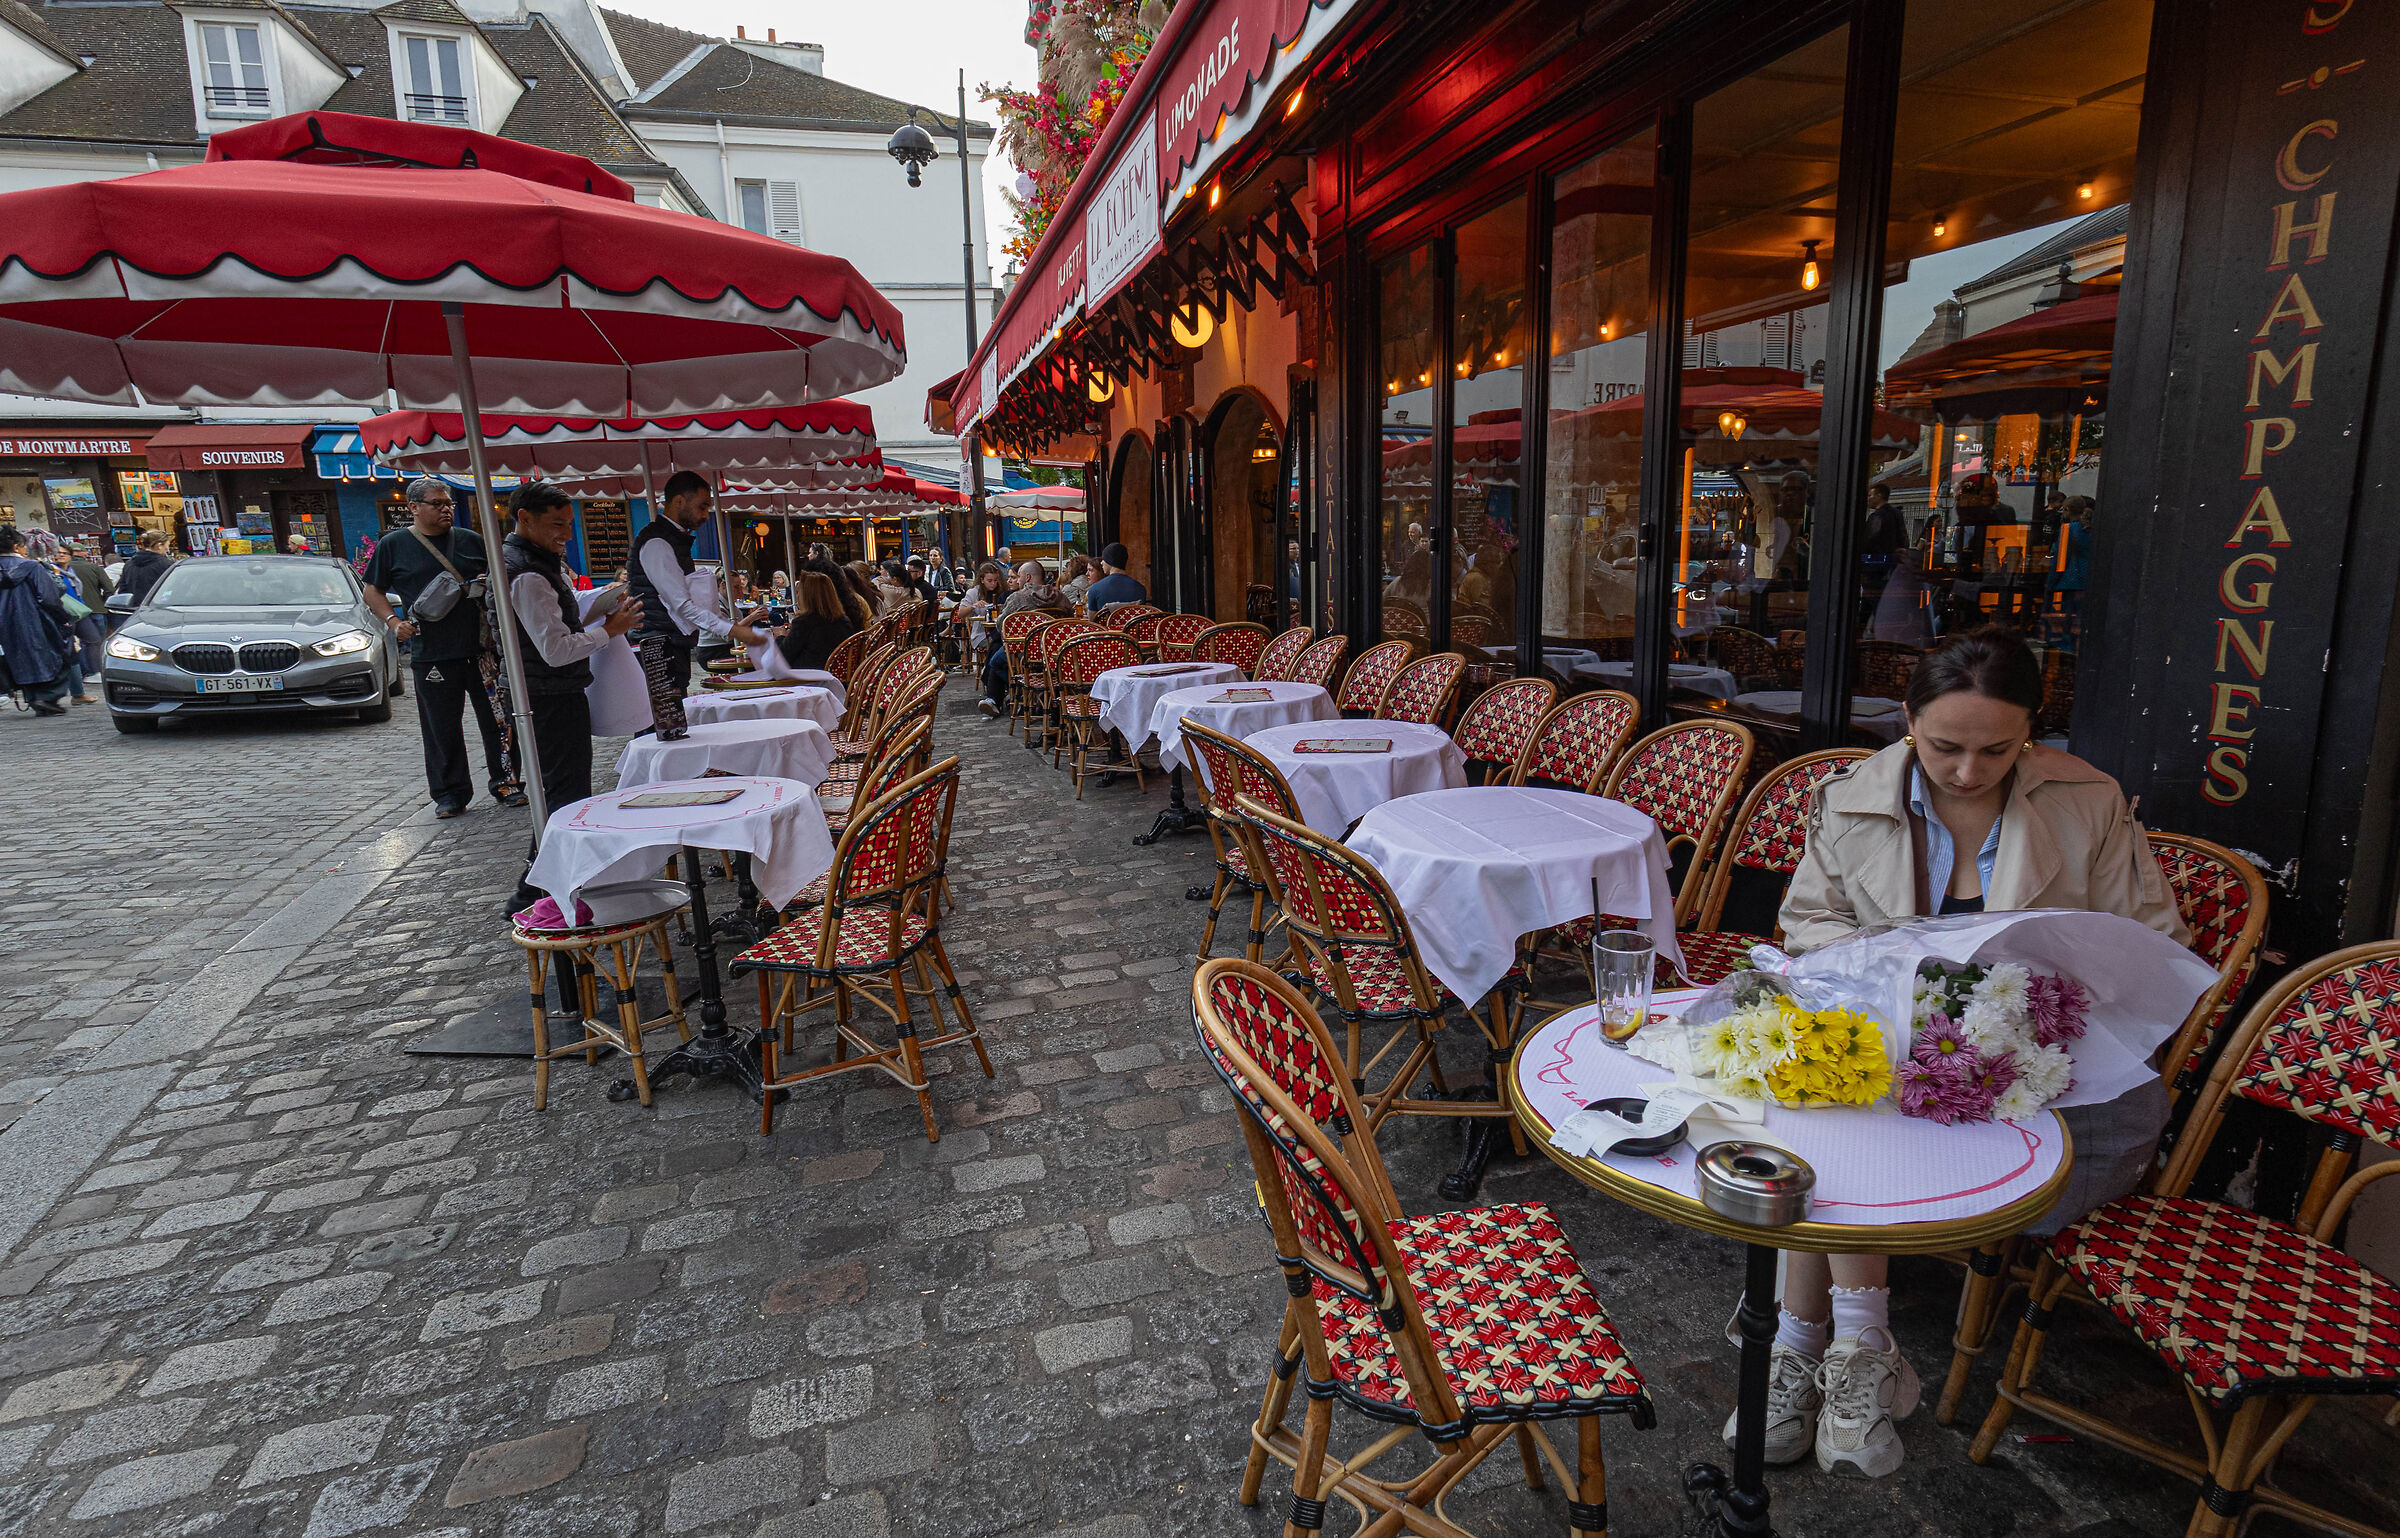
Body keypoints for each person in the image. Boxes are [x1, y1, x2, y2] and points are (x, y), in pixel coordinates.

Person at [1753, 626, 2187, 1480]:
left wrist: (2019, 1003)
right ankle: (1850, 1349)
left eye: (1998, 748)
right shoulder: (1848, 799)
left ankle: (1810, 1349)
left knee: (1832, 1120)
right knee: (1834, 1096)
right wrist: (1894, 983)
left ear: (2033, 733)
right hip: (1893, 1047)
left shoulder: (2089, 800)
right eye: (1944, 745)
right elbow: (1809, 926)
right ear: (1906, 719)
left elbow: (2147, 939)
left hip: (2046, 1071)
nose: (1966, 770)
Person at [502, 482, 643, 910]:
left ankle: (539, 883)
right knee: (564, 792)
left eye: (569, 523)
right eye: (557, 524)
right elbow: (556, 649)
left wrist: (599, 605)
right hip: (546, 696)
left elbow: (560, 622)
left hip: (547, 692)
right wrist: (609, 630)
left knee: (562, 790)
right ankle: (538, 889)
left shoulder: (537, 565)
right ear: (525, 519)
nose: (566, 533)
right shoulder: (527, 573)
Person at [363, 478, 524, 818]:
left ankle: (507, 783)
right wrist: (394, 623)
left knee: (499, 720)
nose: (446, 508)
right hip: (431, 652)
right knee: (440, 728)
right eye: (436, 503)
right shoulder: (394, 545)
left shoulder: (469, 540)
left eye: (448, 502)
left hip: (482, 650)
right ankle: (450, 795)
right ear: (413, 508)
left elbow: (500, 580)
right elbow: (372, 591)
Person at [629, 470, 771, 702]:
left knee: (671, 716)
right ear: (679, 501)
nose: (706, 515)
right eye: (702, 507)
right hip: (658, 645)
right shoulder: (658, 543)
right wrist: (733, 629)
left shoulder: (674, 540)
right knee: (663, 722)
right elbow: (681, 605)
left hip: (670, 642)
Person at [978, 559, 1068, 717]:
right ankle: (1032, 694)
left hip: (1024, 653)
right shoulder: (1060, 597)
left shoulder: (1017, 598)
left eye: (1018, 576)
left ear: (1027, 578)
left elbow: (1001, 625)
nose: (1017, 580)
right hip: (1056, 654)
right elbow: (1070, 619)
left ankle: (1024, 691)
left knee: (995, 662)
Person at [0, 525, 75, 714]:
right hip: (36, 620)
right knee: (58, 655)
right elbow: (48, 597)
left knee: (19, 660)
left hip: (5, 625)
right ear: (17, 547)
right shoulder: (32, 567)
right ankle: (46, 697)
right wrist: (62, 617)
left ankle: (34, 697)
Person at [775, 570, 860, 670]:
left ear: (806, 596)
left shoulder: (804, 623)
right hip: (837, 678)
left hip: (809, 679)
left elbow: (783, 657)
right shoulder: (844, 621)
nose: (797, 596)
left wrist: (780, 637)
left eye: (799, 592)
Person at [1083, 543, 1146, 613]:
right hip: (1132, 624)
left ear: (1110, 561)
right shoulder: (1140, 589)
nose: (1101, 563)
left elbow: (1092, 621)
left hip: (1103, 624)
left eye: (1104, 559)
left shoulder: (1094, 589)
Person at [118, 529, 174, 608]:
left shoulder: (128, 564)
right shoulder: (167, 565)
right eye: (167, 545)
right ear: (159, 546)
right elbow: (172, 591)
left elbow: (123, 591)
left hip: (134, 611)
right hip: (160, 609)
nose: (168, 549)